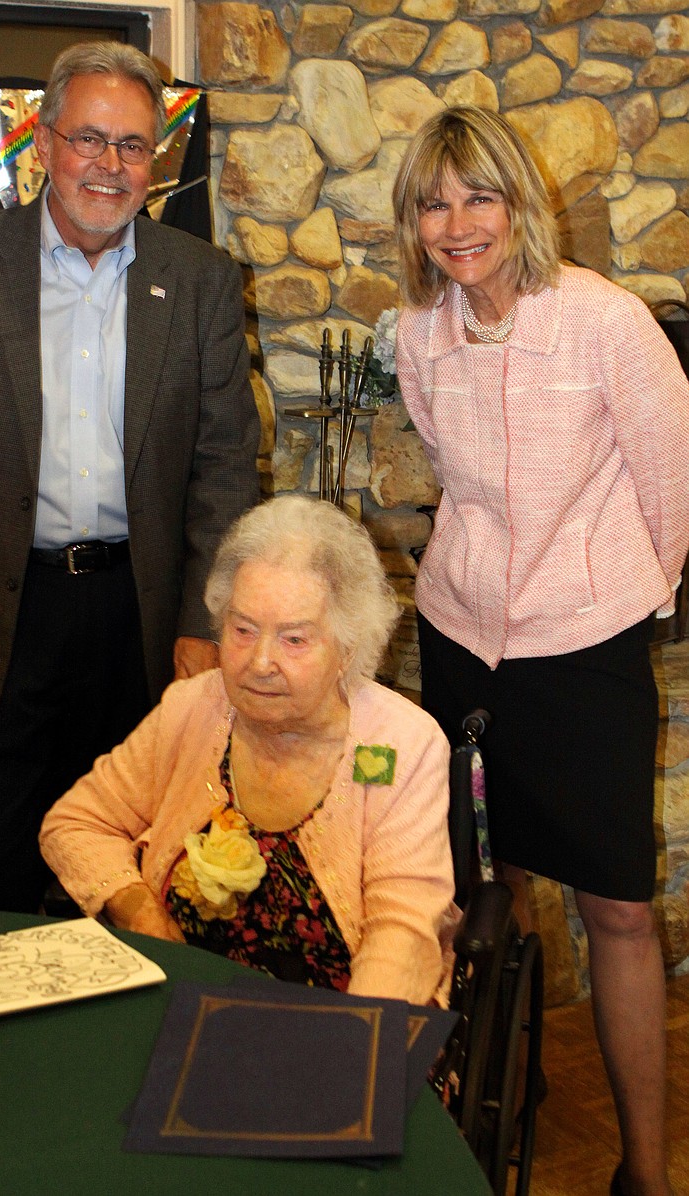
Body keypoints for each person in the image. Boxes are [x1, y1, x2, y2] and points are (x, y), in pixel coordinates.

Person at [0, 42, 260, 913]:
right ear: (42, 145)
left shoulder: (199, 281)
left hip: (139, 627)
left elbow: (224, 472)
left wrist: (205, 621)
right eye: (88, 139)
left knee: (128, 875)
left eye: (132, 147)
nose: (109, 167)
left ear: (154, 160)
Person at [392, 106, 689, 1196]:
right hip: (463, 638)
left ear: (519, 202)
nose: (457, 222)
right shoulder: (415, 335)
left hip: (587, 643)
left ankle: (646, 1173)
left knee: (613, 900)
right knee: (486, 887)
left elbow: (671, 484)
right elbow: (447, 472)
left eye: (478, 195)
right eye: (433, 200)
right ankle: (498, 1105)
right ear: (412, 221)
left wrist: (614, 595)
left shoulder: (606, 322)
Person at [40, 495, 458, 1002]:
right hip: (176, 1004)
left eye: (294, 640)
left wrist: (352, 1048)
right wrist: (136, 908)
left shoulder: (400, 744)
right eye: (242, 630)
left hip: (334, 1024)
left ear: (349, 645)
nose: (260, 662)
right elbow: (76, 823)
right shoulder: (192, 708)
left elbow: (402, 931)